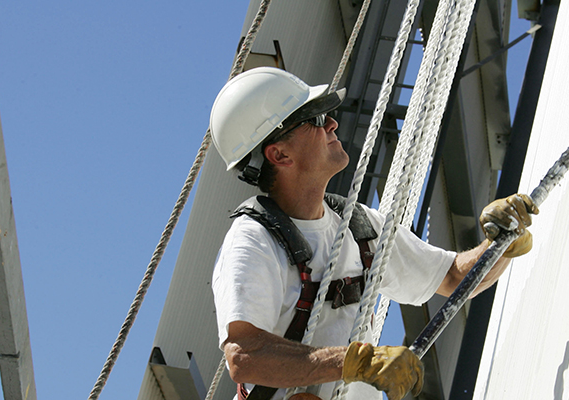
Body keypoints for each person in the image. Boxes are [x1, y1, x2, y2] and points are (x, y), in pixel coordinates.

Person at [209, 67, 538, 400]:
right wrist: (357, 362)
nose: (333, 123)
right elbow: (244, 356)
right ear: (279, 154)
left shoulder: (358, 226)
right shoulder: (253, 241)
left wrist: (499, 244)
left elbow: (454, 278)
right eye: (316, 118)